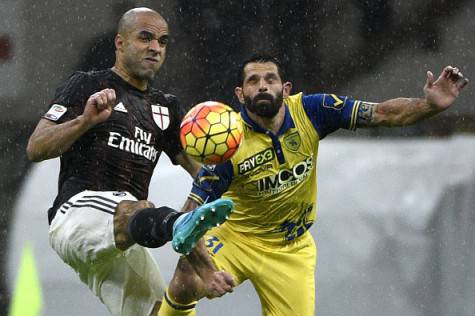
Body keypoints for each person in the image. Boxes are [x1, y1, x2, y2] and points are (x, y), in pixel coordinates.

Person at [157, 55, 469, 316]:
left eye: (270, 78)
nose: (262, 85)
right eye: (253, 81)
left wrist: (429, 105)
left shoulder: (313, 110)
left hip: (292, 249)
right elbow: (187, 220)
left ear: (286, 88)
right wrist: (206, 269)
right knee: (188, 276)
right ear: (240, 94)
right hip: (239, 238)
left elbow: (384, 113)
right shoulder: (226, 140)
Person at [26, 7, 233, 316]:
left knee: (158, 311)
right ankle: (174, 226)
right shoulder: (88, 85)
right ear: (120, 42)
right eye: (145, 37)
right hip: (77, 217)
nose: (155, 48)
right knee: (140, 207)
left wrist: (236, 182)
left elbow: (203, 176)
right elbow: (36, 147)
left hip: (123, 238)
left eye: (162, 41)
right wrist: (85, 121)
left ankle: (182, 239)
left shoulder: (166, 108)